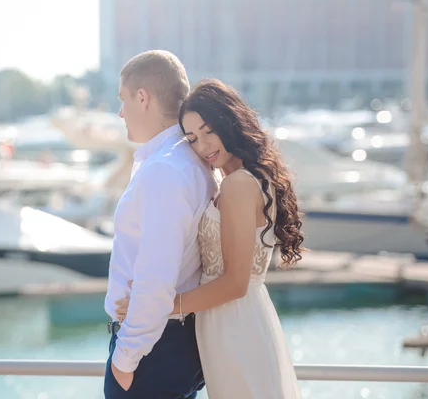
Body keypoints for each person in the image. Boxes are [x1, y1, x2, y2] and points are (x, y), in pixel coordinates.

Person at [115, 79, 305, 398]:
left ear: (230, 121)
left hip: (236, 326)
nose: (203, 146)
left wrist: (160, 305)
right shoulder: (236, 179)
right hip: (230, 322)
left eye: (208, 131)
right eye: (192, 138)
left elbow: (235, 283)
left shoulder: (238, 185)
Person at [103, 50, 215, 398]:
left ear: (142, 97)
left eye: (123, 100)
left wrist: (125, 358)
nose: (121, 112)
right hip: (169, 343)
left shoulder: (166, 170)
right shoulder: (186, 162)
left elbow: (156, 276)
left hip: (152, 352)